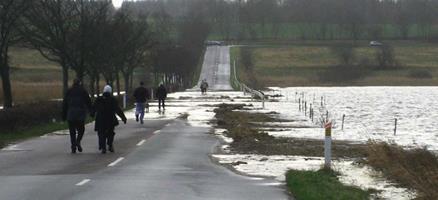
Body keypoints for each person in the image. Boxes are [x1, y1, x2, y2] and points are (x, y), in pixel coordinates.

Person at [92, 85, 127, 154]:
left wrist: (92, 114)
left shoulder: (99, 99)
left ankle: (103, 147)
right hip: (110, 118)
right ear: (110, 91)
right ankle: (110, 144)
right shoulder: (112, 99)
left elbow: (94, 107)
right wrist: (123, 118)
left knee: (101, 133)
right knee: (110, 132)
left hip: (100, 118)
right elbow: (117, 109)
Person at [62, 78, 92, 154]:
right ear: (79, 83)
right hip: (80, 114)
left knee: (72, 132)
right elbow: (88, 102)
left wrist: (63, 115)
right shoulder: (83, 91)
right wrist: (92, 111)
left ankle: (73, 147)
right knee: (81, 130)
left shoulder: (69, 91)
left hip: (71, 114)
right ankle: (78, 141)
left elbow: (65, 104)